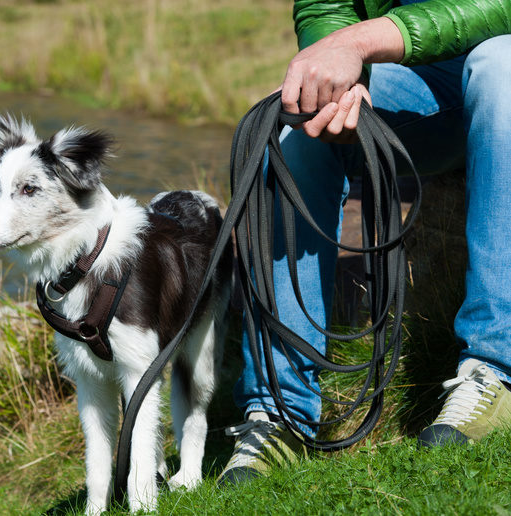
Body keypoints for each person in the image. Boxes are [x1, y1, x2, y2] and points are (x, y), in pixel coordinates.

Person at [219, 0, 511, 484]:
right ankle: (280, 410)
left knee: (502, 65)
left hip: (499, 64)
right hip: (420, 74)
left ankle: (495, 371)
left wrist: (357, 42)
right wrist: (342, 78)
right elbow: (327, 6)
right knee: (289, 126)